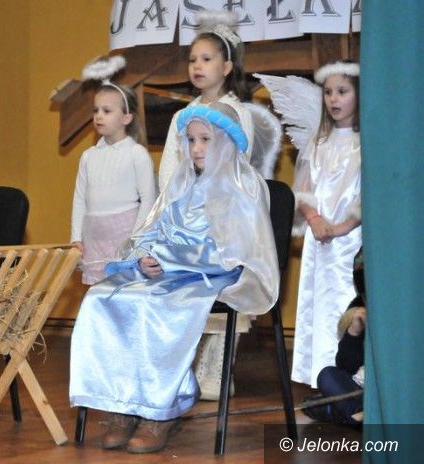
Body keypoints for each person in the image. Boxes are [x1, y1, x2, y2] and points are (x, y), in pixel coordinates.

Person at [69, 104, 279, 454]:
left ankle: (160, 410)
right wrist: (144, 256)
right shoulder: (181, 183)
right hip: (166, 271)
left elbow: (236, 252)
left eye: (206, 140)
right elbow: (152, 229)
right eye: (191, 140)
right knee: (102, 298)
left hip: (209, 275)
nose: (196, 148)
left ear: (226, 141)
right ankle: (123, 403)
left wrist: (169, 259)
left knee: (157, 307)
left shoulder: (244, 185)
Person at [158, 9, 255, 401]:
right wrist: (172, 212)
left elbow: (241, 167)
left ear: (227, 66)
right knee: (185, 290)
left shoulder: (239, 113)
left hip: (224, 221)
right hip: (187, 220)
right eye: (192, 59)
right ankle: (189, 364)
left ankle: (218, 366)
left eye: (206, 59)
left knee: (222, 287)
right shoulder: (181, 116)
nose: (197, 66)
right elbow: (169, 168)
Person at [291, 61, 362, 388]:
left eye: (342, 91)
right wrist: (315, 219)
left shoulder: (364, 144)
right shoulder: (318, 143)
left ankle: (349, 378)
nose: (334, 99)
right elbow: (303, 190)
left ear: (358, 94)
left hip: (350, 242)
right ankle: (321, 378)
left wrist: (342, 227)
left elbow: (366, 196)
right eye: (329, 92)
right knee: (318, 304)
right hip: (319, 239)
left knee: (345, 302)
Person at [71, 57, 156, 285]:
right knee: (97, 292)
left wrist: (135, 241)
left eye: (107, 110)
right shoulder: (88, 156)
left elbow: (149, 200)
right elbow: (79, 199)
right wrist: (76, 237)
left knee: (125, 292)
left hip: (124, 236)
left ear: (126, 118)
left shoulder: (137, 154)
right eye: (96, 110)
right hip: (94, 236)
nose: (99, 115)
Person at [304, 247, 365, 426]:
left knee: (319, 405)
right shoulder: (359, 309)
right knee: (327, 375)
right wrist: (354, 332)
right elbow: (346, 367)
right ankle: (356, 413)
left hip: (390, 392)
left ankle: (346, 414)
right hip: (360, 389)